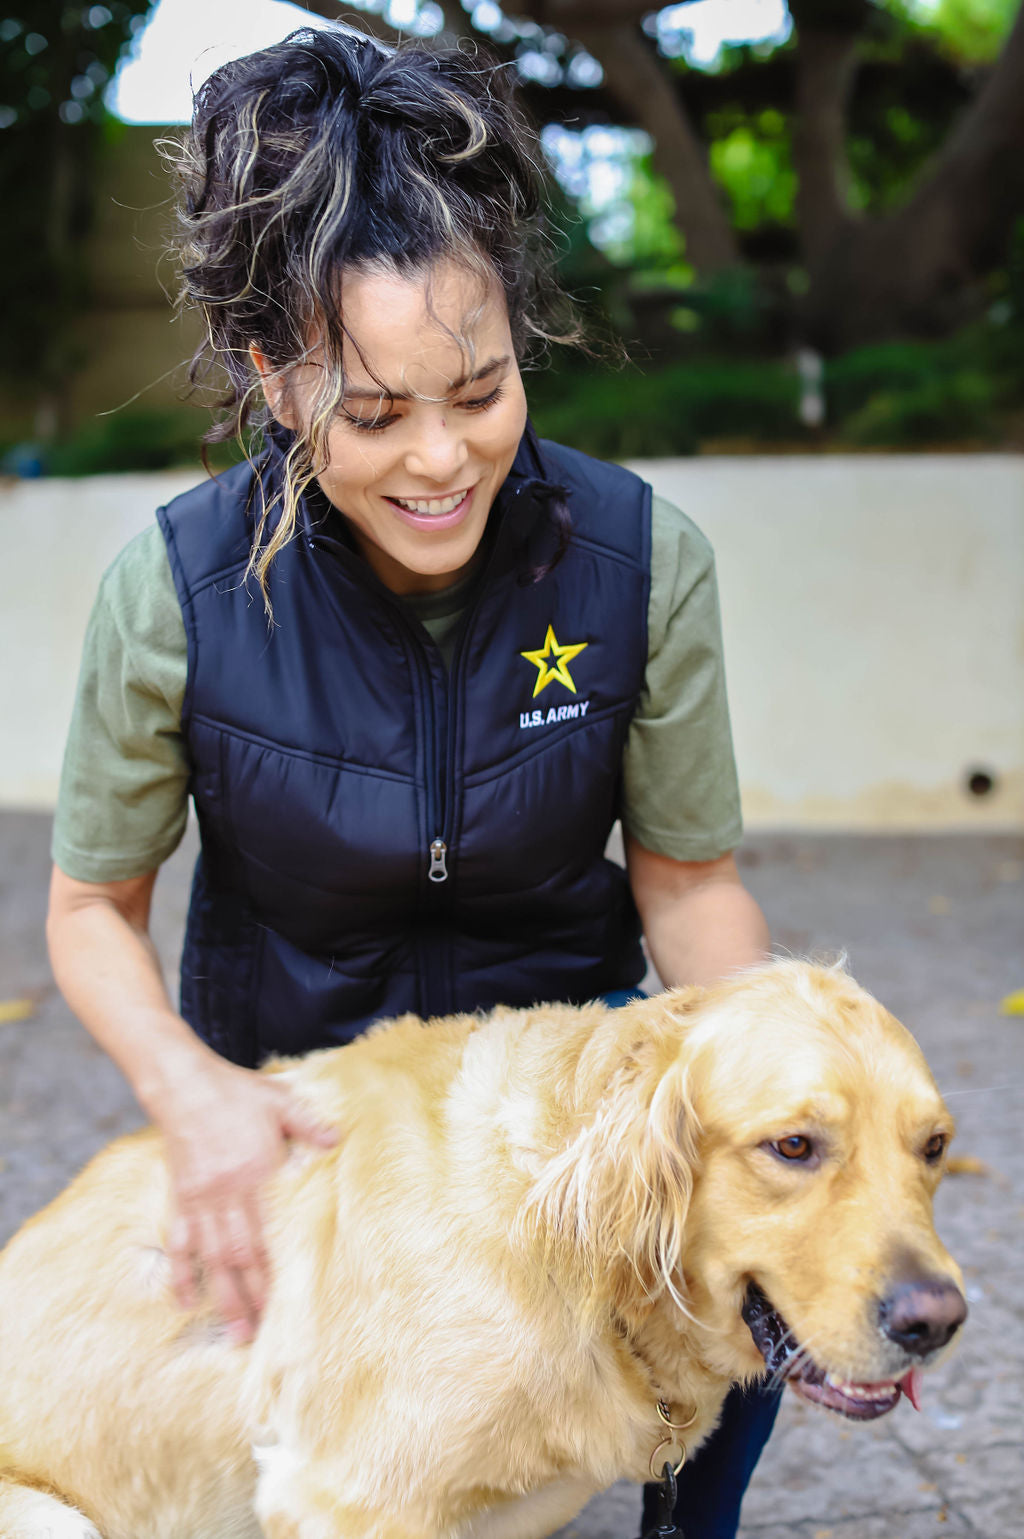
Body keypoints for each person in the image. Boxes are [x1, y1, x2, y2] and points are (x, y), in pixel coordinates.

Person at [46, 25, 780, 1538]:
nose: (442, 460)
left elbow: (691, 885)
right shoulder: (174, 589)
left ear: (519, 339)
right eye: (374, 415)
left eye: (483, 392)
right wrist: (193, 1099)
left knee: (763, 1223)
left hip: (545, 1107)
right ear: (272, 375)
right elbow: (87, 913)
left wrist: (764, 1107)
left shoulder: (639, 561)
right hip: (310, 1127)